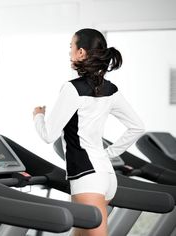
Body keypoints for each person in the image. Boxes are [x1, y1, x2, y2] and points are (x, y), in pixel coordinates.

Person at [33, 28, 145, 236]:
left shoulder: (72, 89)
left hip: (87, 178)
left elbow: (49, 135)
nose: (69, 52)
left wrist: (38, 116)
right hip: (106, 176)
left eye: (71, 47)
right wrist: (108, 154)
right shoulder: (110, 89)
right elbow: (137, 126)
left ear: (81, 52)